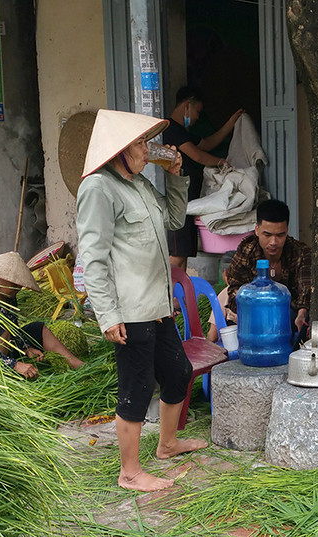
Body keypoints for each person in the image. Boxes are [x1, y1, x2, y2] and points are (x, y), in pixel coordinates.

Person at [76, 108, 208, 493]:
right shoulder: (98, 188)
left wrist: (174, 178)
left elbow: (174, 219)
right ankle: (130, 472)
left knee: (178, 372)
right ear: (118, 149)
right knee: (136, 388)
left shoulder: (138, 184)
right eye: (139, 143)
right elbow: (94, 258)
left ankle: (166, 445)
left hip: (158, 306)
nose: (148, 150)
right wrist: (107, 315)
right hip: (129, 310)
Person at [163, 86, 245, 270]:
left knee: (182, 253)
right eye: (197, 111)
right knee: (176, 254)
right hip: (177, 201)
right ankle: (168, 297)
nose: (198, 117)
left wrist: (231, 123)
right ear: (187, 106)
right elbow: (198, 156)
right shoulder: (170, 128)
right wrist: (223, 163)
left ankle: (179, 298)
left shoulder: (181, 131)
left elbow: (207, 144)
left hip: (188, 201)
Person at [0, 250, 85, 379]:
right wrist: (14, 365)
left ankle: (77, 364)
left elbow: (14, 328)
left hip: (9, 346)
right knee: (3, 329)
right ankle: (4, 378)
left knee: (38, 328)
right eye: (13, 283)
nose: (18, 288)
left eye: (19, 284)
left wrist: (26, 348)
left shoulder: (8, 297)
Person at [223, 199, 311, 339]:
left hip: (288, 315)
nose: (273, 242)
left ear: (287, 231)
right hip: (253, 313)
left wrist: (301, 315)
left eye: (280, 235)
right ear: (257, 230)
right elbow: (235, 286)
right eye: (267, 235)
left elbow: (305, 291)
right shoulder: (247, 250)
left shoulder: (300, 252)